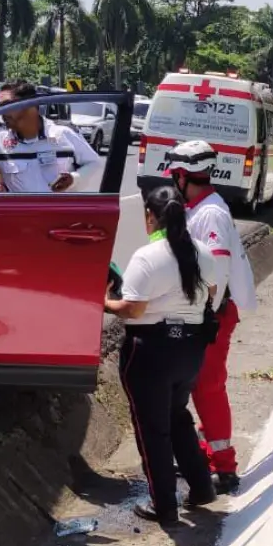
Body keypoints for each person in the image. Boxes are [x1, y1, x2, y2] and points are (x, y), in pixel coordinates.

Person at [105, 186, 219, 526]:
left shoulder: (147, 256)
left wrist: (105, 301)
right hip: (189, 350)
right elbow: (211, 294)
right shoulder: (202, 252)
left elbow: (133, 309)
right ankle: (201, 487)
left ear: (150, 217)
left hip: (151, 352)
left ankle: (164, 506)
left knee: (152, 430)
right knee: (177, 417)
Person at [163, 140, 257, 495]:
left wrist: (202, 314)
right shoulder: (198, 208)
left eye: (175, 175)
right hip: (203, 314)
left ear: (184, 175)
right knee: (199, 387)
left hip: (211, 315)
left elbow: (216, 269)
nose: (173, 181)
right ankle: (205, 454)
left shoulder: (210, 213)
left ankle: (225, 467)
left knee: (207, 388)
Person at [0, 81, 103, 193]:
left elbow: (94, 162)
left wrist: (74, 178)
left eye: (7, 105)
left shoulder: (63, 134)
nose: (2, 112)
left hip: (60, 218)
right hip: (21, 218)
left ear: (30, 105)